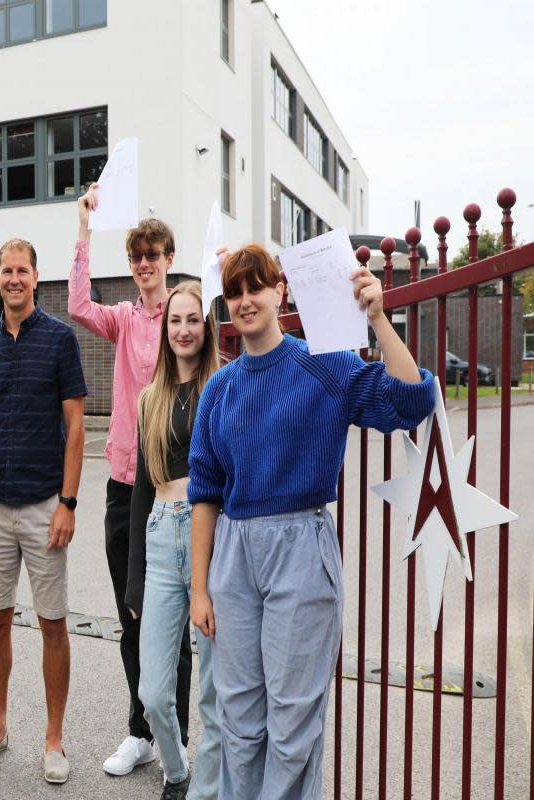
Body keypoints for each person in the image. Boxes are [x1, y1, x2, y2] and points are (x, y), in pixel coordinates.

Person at [189, 244, 435, 799]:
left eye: (257, 287)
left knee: (293, 724)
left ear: (281, 292)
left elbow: (409, 400)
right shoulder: (219, 390)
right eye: (235, 291)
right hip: (233, 557)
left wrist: (378, 319)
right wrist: (199, 587)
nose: (246, 300)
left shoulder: (325, 364)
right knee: (240, 721)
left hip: (300, 549)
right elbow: (204, 491)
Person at [68, 186, 193, 776]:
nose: (144, 263)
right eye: (137, 255)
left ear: (169, 257)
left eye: (153, 254)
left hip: (178, 487)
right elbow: (77, 305)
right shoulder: (122, 319)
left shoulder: (185, 316)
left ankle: (181, 733)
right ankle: (141, 729)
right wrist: (85, 229)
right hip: (124, 482)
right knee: (133, 609)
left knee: (185, 614)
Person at [0, 238, 86, 785]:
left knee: (52, 623)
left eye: (22, 271)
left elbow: (77, 428)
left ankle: (54, 740)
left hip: (43, 506)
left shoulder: (60, 340)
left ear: (37, 278)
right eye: (6, 270)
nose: (14, 279)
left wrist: (67, 502)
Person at [125, 281, 221, 800]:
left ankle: (207, 784)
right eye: (175, 321)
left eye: (193, 320)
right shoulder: (150, 400)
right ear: (165, 331)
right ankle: (177, 770)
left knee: (214, 690)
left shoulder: (222, 387)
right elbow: (141, 489)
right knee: (153, 694)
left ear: (206, 327)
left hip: (212, 538)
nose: (184, 330)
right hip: (162, 535)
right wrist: (136, 578)